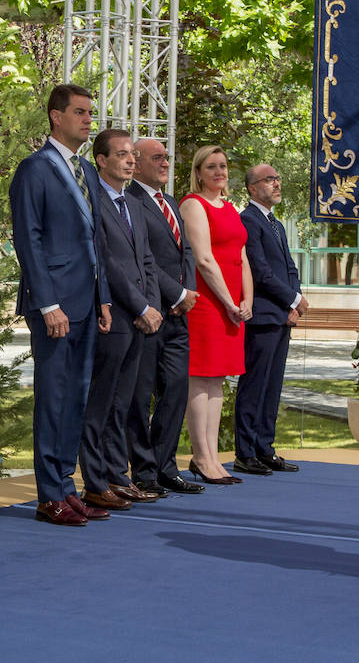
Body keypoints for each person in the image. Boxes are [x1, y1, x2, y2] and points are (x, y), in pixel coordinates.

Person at [9, 83, 112, 526]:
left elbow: (98, 239)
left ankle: (67, 488)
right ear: (55, 116)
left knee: (76, 399)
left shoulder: (88, 171)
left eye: (91, 113)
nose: (89, 120)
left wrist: (104, 295)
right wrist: (47, 301)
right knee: (53, 400)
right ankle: (48, 494)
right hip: (55, 306)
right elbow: (27, 239)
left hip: (88, 302)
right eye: (80, 112)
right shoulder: (34, 169)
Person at [78, 129, 162, 510]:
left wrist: (152, 307)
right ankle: (94, 481)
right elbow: (107, 264)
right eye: (123, 155)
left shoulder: (133, 203)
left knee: (123, 403)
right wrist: (139, 307)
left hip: (140, 318)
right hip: (113, 314)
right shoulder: (93, 200)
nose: (131, 160)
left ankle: (117, 475)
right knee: (101, 402)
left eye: (132, 155)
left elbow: (146, 261)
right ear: (102, 159)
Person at [125, 139, 204, 496]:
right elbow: (144, 259)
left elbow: (185, 251)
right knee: (141, 397)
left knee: (175, 390)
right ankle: (143, 471)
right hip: (149, 314)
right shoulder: (131, 202)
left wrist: (186, 293)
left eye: (167, 157)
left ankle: (164, 466)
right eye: (157, 157)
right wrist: (174, 294)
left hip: (178, 315)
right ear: (136, 163)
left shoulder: (170, 202)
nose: (165, 163)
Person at [179, 145, 252, 485]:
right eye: (211, 167)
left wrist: (246, 298)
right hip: (208, 303)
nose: (219, 172)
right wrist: (227, 301)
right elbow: (204, 260)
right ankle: (202, 456)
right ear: (198, 172)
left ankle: (213, 458)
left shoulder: (232, 208)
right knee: (201, 378)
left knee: (219, 379)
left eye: (223, 166)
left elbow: (242, 256)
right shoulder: (194, 205)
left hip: (232, 305)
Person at [234, 164, 310, 475]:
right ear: (252, 188)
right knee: (255, 384)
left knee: (273, 385)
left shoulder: (274, 222)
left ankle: (265, 447)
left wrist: (296, 301)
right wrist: (293, 299)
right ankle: (246, 452)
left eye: (277, 179)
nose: (276, 184)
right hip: (263, 316)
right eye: (269, 180)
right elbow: (261, 272)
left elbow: (288, 267)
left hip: (281, 315)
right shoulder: (248, 220)